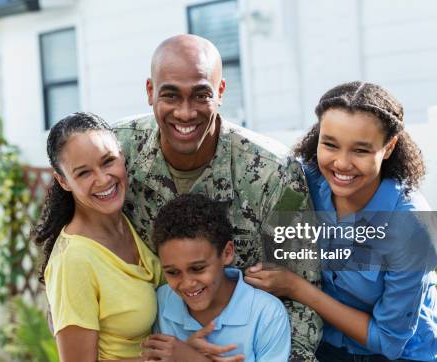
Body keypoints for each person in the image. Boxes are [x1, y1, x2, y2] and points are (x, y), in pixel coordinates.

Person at [114, 34, 321, 361]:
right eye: (170, 95)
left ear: (221, 92)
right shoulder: (114, 154)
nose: (185, 113)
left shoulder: (274, 173)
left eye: (200, 95)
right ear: (150, 91)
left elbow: (303, 299)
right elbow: (67, 235)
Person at [244, 82, 437, 361]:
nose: (341, 163)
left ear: (389, 148)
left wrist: (294, 287)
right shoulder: (305, 183)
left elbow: (387, 340)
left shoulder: (411, 225)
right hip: (327, 347)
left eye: (360, 151)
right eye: (330, 144)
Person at [34, 112, 209, 361]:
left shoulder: (134, 218)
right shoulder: (74, 261)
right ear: (63, 181)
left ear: (122, 154)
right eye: (83, 173)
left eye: (108, 161)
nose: (103, 179)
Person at [149, 194, 291, 362]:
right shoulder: (162, 302)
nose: (187, 283)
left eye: (198, 268)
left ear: (227, 253)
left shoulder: (267, 315)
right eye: (172, 272)